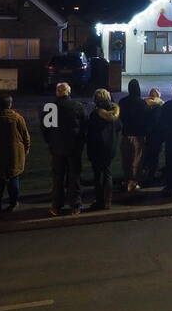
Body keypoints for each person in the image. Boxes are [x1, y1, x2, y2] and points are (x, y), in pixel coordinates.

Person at [44, 82, 86, 215]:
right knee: (74, 176)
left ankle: (56, 205)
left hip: (57, 148)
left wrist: (51, 141)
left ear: (57, 92)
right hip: (74, 147)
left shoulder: (51, 107)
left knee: (58, 177)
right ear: (69, 92)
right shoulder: (77, 106)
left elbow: (46, 129)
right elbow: (84, 127)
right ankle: (75, 205)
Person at [0, 95, 30, 213]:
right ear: (10, 104)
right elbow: (25, 136)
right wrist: (25, 151)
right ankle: (13, 203)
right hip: (14, 154)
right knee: (13, 179)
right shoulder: (17, 118)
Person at [85, 89, 120, 209]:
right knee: (107, 173)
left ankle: (99, 200)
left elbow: (90, 133)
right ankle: (108, 201)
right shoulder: (115, 112)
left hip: (97, 148)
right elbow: (119, 127)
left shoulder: (95, 114)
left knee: (98, 175)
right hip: (110, 147)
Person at [118, 79, 148, 192]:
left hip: (126, 134)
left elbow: (121, 117)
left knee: (126, 160)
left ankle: (127, 180)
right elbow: (145, 119)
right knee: (136, 161)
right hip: (138, 135)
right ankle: (134, 183)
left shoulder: (122, 101)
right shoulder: (142, 103)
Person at [141, 86, 165, 185]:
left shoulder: (144, 104)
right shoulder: (161, 105)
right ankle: (152, 174)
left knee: (146, 154)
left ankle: (144, 173)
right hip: (157, 135)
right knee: (155, 156)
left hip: (147, 133)